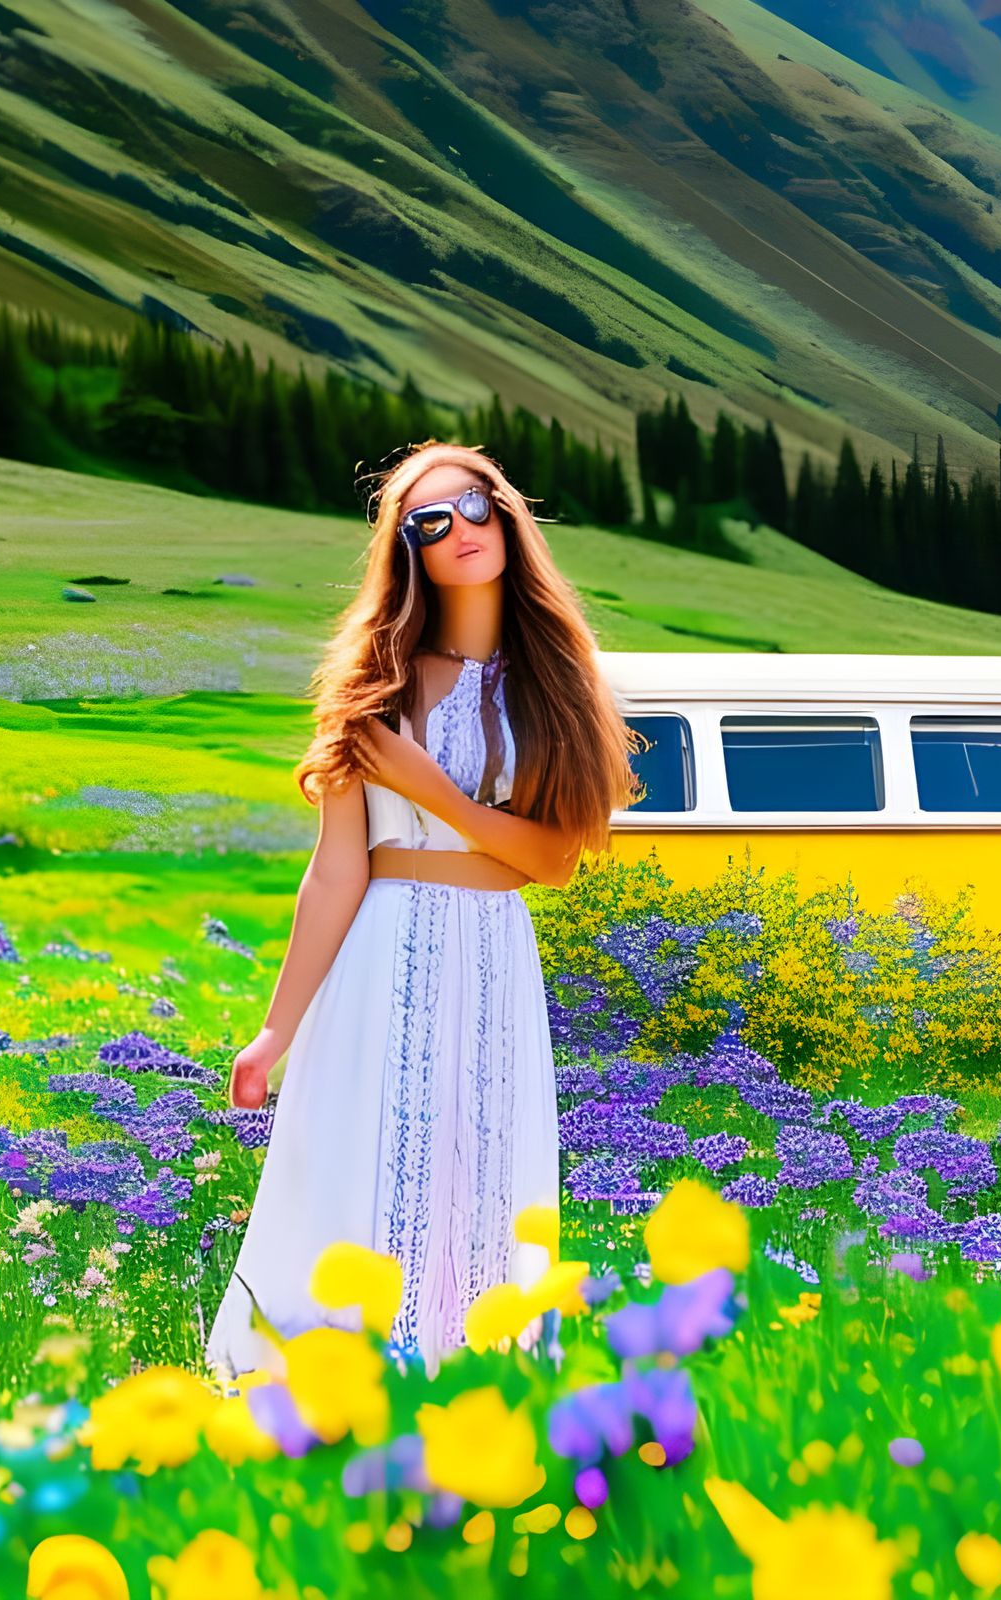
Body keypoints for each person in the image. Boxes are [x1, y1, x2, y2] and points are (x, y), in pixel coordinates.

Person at [203, 439, 639, 1383]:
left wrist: (431, 789)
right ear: (409, 551)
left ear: (506, 516)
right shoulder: (375, 683)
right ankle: (336, 1383)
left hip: (494, 951)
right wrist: (275, 1032)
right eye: (428, 522)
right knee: (365, 1158)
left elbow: (554, 860)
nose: (459, 530)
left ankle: (471, 1374)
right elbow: (335, 873)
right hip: (382, 950)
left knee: (481, 1162)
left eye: (474, 505)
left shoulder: (559, 681)